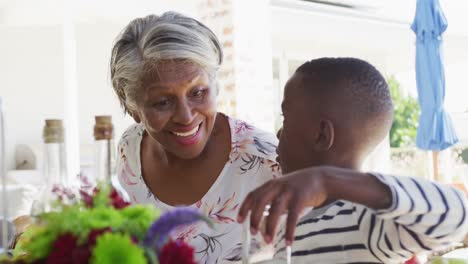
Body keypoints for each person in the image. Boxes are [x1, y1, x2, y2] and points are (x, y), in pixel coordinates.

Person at [237, 58, 468, 263]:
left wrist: (326, 181)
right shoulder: (289, 224)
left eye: (285, 119)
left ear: (321, 135)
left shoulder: (364, 219)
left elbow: (457, 213)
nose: (278, 134)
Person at [110, 12, 280, 263]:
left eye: (198, 92)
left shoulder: (264, 158)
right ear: (134, 109)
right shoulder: (130, 148)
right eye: (162, 102)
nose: (186, 116)